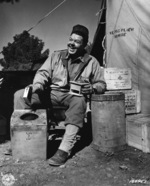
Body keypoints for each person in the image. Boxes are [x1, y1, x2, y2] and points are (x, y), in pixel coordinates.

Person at [14, 24, 106, 166]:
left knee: (79, 100)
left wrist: (93, 87)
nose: (72, 43)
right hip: (50, 93)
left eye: (76, 41)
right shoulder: (56, 56)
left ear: (84, 45)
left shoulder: (92, 61)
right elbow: (43, 73)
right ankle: (21, 140)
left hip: (72, 97)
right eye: (71, 39)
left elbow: (102, 84)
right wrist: (38, 85)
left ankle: (63, 150)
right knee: (20, 95)